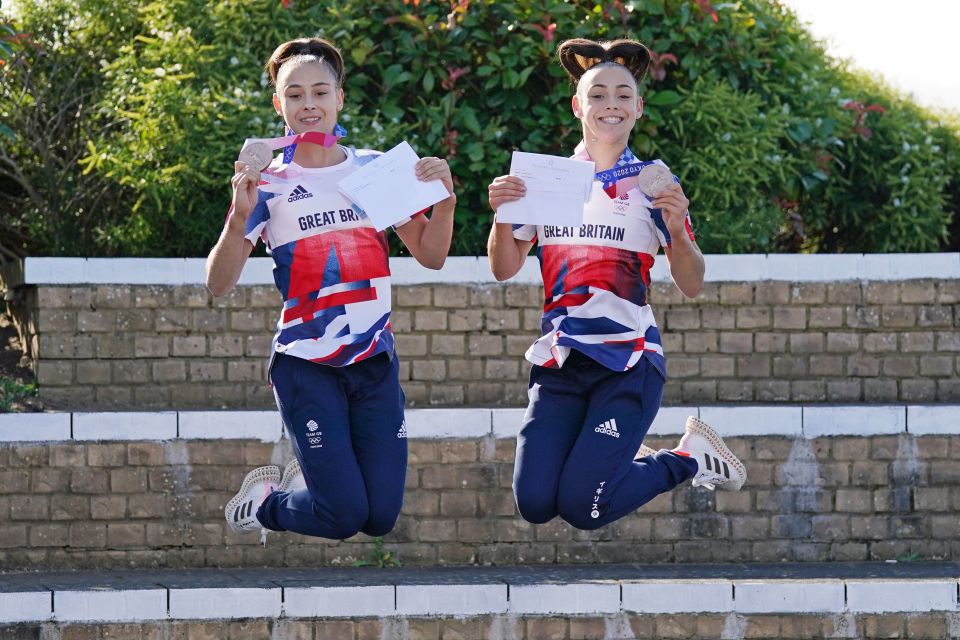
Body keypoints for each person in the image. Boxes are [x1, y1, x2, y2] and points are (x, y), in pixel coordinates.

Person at [486, 38, 745, 531]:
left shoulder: (653, 185)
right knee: (536, 503)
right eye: (598, 94)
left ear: (639, 108)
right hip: (561, 361)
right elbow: (503, 267)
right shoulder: (544, 179)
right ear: (577, 105)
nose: (611, 105)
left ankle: (687, 457)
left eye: (623, 95)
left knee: (585, 509)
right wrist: (502, 217)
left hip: (628, 361)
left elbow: (691, 283)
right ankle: (621, 451)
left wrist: (676, 227)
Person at [206, 37, 456, 543]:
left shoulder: (375, 169)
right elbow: (218, 284)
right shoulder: (266, 184)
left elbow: (430, 255)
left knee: (380, 517)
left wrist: (445, 202)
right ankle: (268, 503)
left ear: (340, 97)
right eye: (294, 95)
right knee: (342, 516)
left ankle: (307, 482)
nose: (309, 104)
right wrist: (237, 220)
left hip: (374, 363)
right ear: (279, 105)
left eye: (320, 92)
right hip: (306, 365)